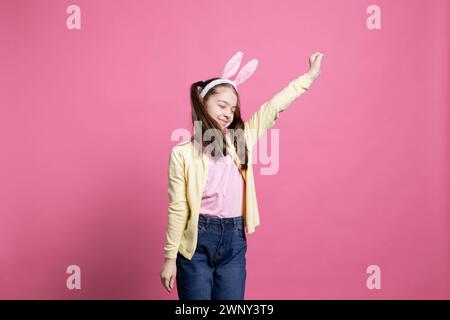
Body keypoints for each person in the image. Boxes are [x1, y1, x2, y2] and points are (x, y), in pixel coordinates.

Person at [160, 51, 324, 300]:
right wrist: (170, 258)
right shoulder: (182, 153)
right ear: (203, 103)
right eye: (222, 105)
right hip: (195, 244)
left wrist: (309, 77)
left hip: (234, 240)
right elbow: (178, 208)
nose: (228, 113)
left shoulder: (240, 140)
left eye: (233, 108)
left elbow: (274, 106)